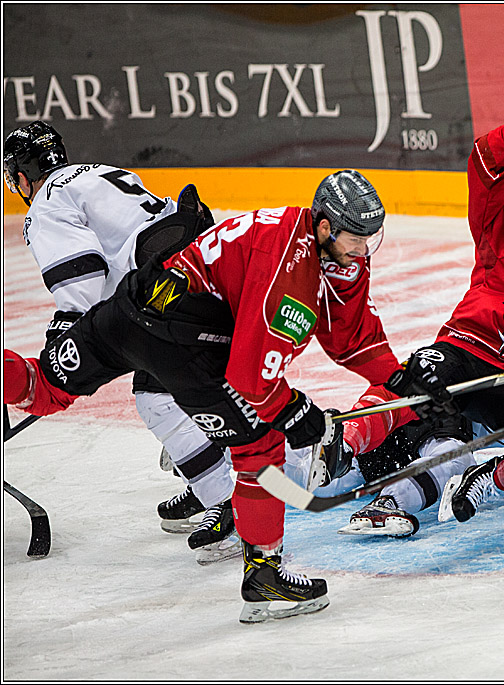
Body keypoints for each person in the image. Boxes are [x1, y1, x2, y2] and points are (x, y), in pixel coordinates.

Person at [3, 169, 389, 623]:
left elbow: (348, 336)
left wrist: (400, 380)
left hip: (129, 307)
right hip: (182, 342)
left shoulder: (286, 227)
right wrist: (296, 413)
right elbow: (253, 380)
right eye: (355, 239)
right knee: (259, 444)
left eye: (370, 239)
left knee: (40, 385)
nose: (362, 251)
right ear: (325, 226)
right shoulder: (293, 272)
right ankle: (265, 577)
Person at [313, 66, 504, 537]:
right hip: (467, 352)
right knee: (407, 385)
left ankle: (488, 479)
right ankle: (338, 446)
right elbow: (484, 166)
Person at [2, 121, 244, 559]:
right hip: (203, 267)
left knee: (159, 399)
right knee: (168, 382)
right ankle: (210, 477)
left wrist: (67, 343)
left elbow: (84, 285)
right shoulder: (96, 172)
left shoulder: (47, 205)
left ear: (21, 176)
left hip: (171, 291)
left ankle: (226, 500)